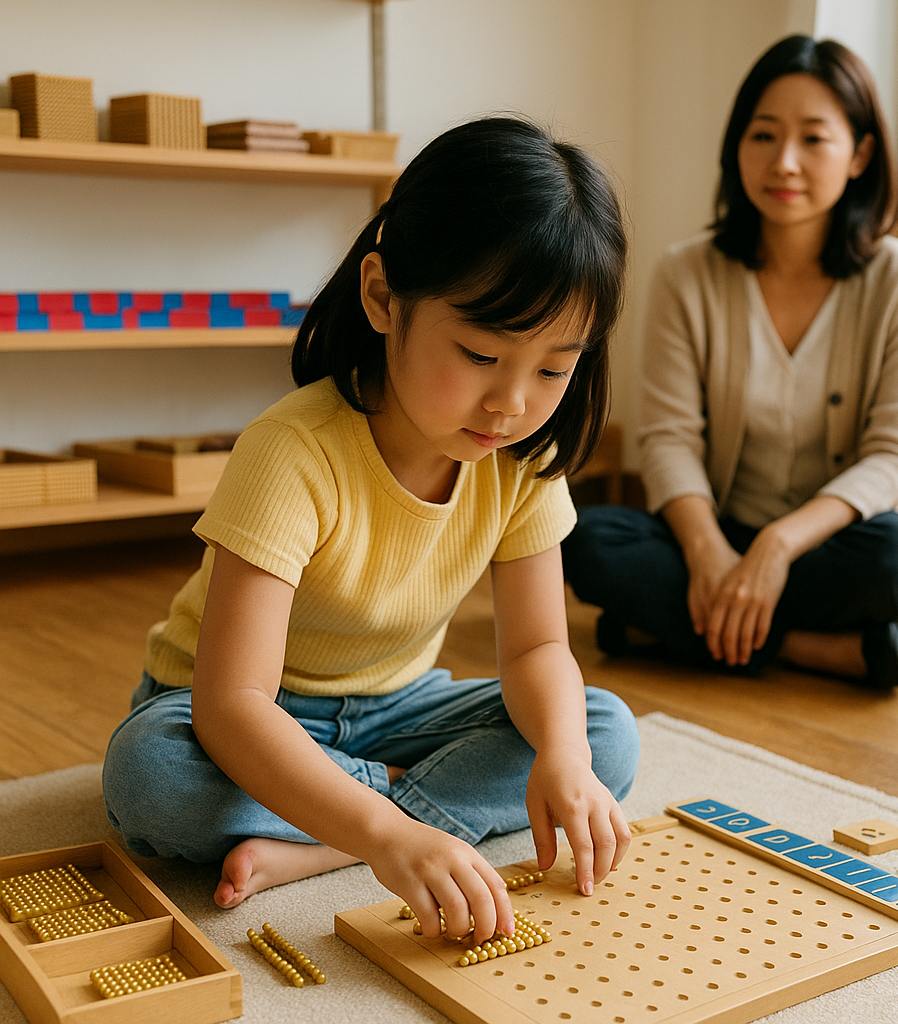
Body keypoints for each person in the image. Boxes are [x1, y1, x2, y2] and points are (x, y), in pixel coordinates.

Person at [102, 117, 639, 944]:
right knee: (151, 777)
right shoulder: (292, 450)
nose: (513, 403)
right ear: (384, 296)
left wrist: (562, 754)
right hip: (240, 707)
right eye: (480, 355)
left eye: (554, 369)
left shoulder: (522, 457)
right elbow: (233, 705)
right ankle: (382, 820)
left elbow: (536, 652)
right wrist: (392, 835)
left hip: (402, 704)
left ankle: (322, 838)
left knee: (600, 736)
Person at [562, 36, 898, 690]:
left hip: (838, 542)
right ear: (737, 147)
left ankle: (658, 630)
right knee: (584, 537)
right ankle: (826, 650)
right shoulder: (683, 273)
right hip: (718, 530)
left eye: (814, 139)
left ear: (861, 154)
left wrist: (777, 548)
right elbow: (667, 437)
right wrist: (708, 553)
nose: (784, 162)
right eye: (764, 135)